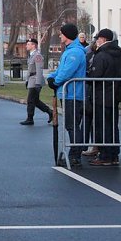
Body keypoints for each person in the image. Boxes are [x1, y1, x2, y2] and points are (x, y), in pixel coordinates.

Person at [46, 24, 86, 167]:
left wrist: (56, 81)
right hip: (68, 93)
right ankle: (74, 154)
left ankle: (75, 155)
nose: (60, 36)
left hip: (73, 94)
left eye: (61, 33)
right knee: (71, 125)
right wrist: (51, 77)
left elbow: (67, 72)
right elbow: (60, 70)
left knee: (72, 125)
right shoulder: (69, 51)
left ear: (67, 35)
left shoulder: (75, 52)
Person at [86, 29, 121, 166]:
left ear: (103, 39)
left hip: (101, 94)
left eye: (98, 38)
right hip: (114, 94)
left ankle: (105, 155)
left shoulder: (101, 55)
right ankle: (114, 154)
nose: (96, 41)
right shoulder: (119, 54)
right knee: (113, 126)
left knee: (102, 126)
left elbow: (95, 75)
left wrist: (88, 75)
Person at [20, 38, 53, 126]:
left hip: (35, 81)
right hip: (31, 80)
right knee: (36, 101)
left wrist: (38, 83)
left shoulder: (37, 56)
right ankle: (50, 112)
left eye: (28, 44)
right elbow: (29, 70)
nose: (26, 46)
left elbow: (39, 70)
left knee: (30, 100)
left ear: (33, 45)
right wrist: (27, 80)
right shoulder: (31, 55)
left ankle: (30, 118)